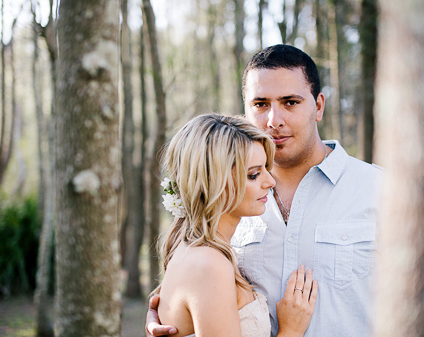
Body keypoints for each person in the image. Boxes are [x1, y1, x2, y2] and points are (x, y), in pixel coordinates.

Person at [146, 45, 382, 337]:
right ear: (245, 109)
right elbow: (201, 280)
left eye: (290, 102)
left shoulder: (381, 191)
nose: (274, 120)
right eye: (260, 104)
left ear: (318, 106)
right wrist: (170, 309)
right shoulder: (229, 201)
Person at [153, 113, 316, 337]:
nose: (270, 181)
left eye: (266, 169)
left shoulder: (200, 252)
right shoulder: (209, 264)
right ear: (214, 182)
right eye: (253, 175)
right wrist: (291, 330)